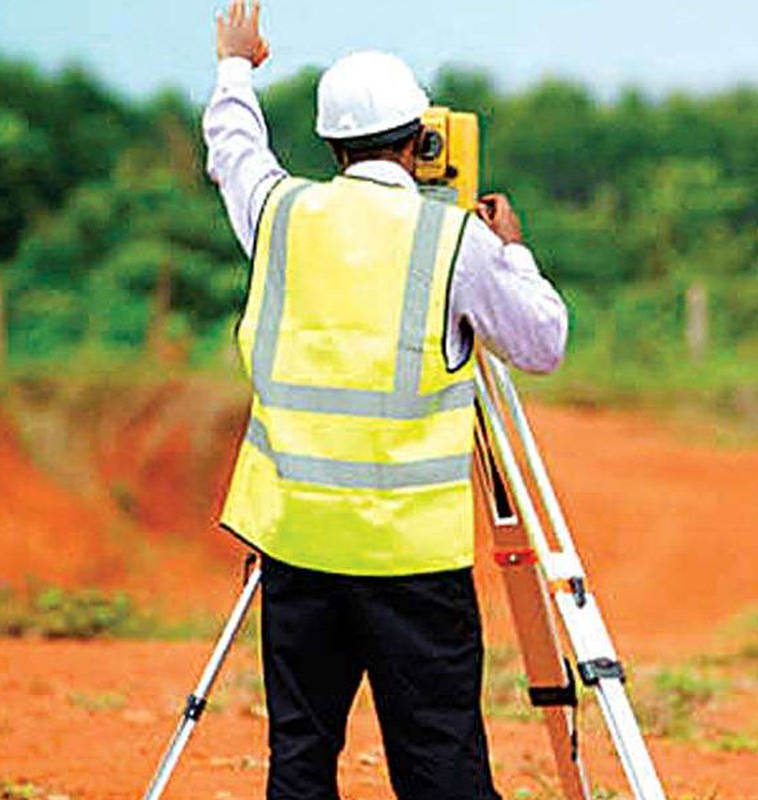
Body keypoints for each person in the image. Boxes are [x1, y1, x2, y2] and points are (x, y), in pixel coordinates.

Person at [203, 2, 567, 798]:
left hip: (298, 545)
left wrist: (235, 65)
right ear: (420, 138)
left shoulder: (281, 214)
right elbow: (543, 343)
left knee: (300, 760)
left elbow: (235, 152)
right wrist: (515, 252)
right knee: (440, 764)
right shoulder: (453, 240)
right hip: (412, 561)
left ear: (332, 144)